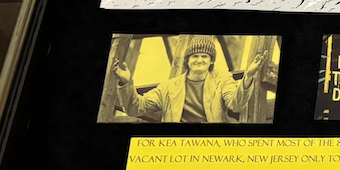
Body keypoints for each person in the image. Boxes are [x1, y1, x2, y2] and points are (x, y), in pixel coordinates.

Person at [112, 35, 263, 123]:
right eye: (194, 56)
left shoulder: (223, 79)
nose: (199, 60)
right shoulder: (168, 87)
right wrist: (126, 82)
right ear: (188, 61)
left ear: (211, 61)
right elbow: (135, 108)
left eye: (205, 56)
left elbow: (236, 105)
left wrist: (248, 77)